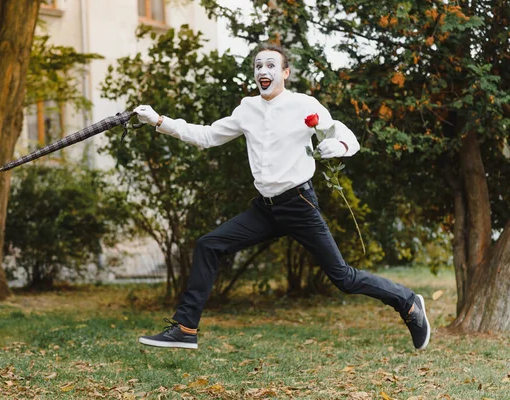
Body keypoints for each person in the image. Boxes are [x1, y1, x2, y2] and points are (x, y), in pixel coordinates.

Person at [133, 43, 430, 351]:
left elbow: (341, 133)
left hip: (298, 204)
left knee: (343, 278)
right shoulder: (247, 109)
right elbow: (208, 136)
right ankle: (185, 329)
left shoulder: (304, 105)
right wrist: (158, 121)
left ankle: (407, 303)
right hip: (265, 208)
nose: (264, 71)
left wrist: (338, 147)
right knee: (209, 245)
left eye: (271, 66)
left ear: (285, 73)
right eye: (258, 66)